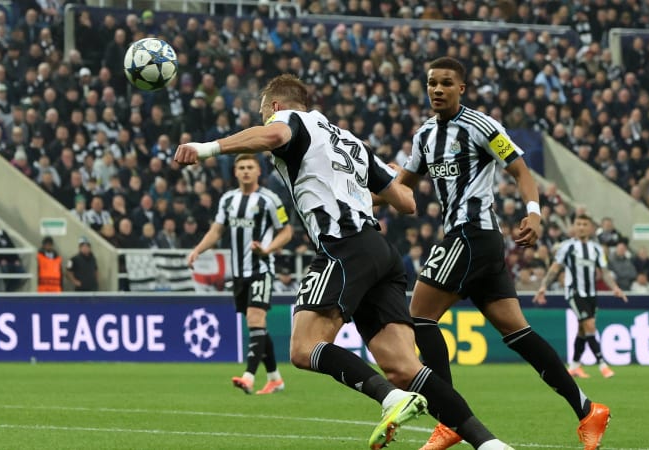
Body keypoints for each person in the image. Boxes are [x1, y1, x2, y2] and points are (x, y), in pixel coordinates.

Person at [175, 74, 515, 450]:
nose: (264, 119)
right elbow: (407, 201)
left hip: (344, 246)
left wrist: (207, 148)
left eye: (263, 112)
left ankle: (390, 399)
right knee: (405, 367)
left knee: (303, 349)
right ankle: (489, 444)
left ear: (275, 106)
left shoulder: (291, 121)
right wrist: (360, 188)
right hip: (380, 253)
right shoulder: (349, 140)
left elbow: (273, 137)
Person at [393, 57, 610, 450]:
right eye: (431, 84)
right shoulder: (424, 135)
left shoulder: (482, 126)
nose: (437, 90)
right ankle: (588, 410)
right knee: (517, 332)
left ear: (462, 88)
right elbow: (401, 185)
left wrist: (534, 213)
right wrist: (365, 198)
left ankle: (449, 420)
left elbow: (520, 171)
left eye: (446, 83)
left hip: (472, 234)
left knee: (419, 317)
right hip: (477, 243)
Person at [186, 153, 294, 396]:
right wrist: (197, 250)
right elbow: (216, 231)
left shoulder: (270, 199)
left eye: (250, 167)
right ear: (235, 172)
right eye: (241, 167)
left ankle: (248, 376)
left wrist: (267, 250)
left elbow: (286, 232)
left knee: (256, 320)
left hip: (262, 269)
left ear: (258, 172)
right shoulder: (228, 200)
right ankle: (275, 378)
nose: (245, 171)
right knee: (257, 325)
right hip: (238, 273)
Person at [534, 214, 629, 378]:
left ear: (591, 228)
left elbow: (604, 272)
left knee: (583, 330)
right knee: (590, 325)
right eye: (578, 224)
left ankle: (575, 366)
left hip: (591, 294)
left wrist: (615, 288)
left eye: (585, 224)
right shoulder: (567, 247)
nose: (581, 227)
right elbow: (555, 268)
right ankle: (602, 365)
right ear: (574, 227)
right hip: (574, 292)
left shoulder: (596, 249)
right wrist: (543, 286)